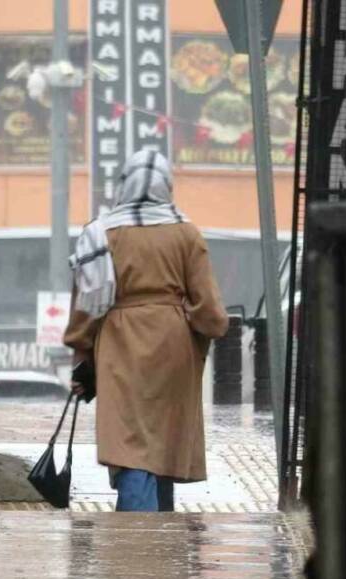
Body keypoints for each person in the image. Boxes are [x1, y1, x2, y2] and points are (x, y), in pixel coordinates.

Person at [64, 150, 229, 512]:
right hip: (174, 342)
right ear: (166, 187)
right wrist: (198, 326)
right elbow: (210, 312)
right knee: (164, 439)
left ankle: (139, 531)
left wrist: (81, 352)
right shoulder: (186, 233)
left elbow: (87, 302)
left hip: (119, 341)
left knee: (131, 441)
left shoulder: (101, 233)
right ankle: (160, 524)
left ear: (125, 184)